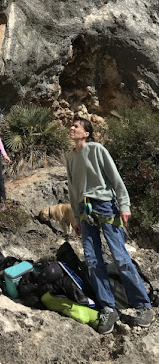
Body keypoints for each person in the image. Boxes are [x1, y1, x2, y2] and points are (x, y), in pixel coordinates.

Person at [67, 116, 154, 334]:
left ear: (86, 133)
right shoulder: (70, 157)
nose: (71, 127)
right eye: (71, 125)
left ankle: (143, 305)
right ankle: (108, 306)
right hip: (84, 210)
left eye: (76, 126)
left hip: (105, 206)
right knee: (93, 259)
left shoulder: (96, 149)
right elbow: (72, 190)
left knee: (120, 257)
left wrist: (124, 205)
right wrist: (77, 218)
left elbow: (115, 178)